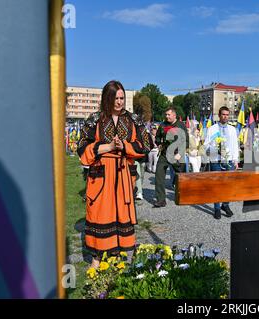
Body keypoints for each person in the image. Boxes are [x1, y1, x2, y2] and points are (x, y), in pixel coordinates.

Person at [77, 80, 146, 269]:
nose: (119, 102)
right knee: (99, 213)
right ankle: (96, 257)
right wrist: (106, 147)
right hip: (101, 175)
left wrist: (124, 146)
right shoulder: (94, 119)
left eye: (122, 98)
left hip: (123, 175)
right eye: (115, 98)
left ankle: (116, 253)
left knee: (120, 213)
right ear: (107, 98)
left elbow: (146, 146)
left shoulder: (134, 120)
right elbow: (81, 147)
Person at [204, 107, 239, 219]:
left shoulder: (232, 129)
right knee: (217, 185)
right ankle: (217, 208)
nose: (225, 116)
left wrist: (236, 160)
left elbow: (235, 145)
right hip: (216, 160)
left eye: (227, 115)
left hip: (229, 161)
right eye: (223, 114)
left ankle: (226, 205)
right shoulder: (212, 129)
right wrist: (214, 149)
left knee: (228, 185)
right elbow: (206, 145)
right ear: (219, 115)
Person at [153, 106, 189, 207]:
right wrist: (159, 143)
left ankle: (183, 197)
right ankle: (161, 200)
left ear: (174, 115)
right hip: (164, 154)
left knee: (181, 177)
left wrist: (180, 153)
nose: (167, 116)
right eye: (166, 114)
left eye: (169, 115)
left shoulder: (180, 125)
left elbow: (186, 141)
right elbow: (158, 137)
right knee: (159, 175)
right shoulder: (163, 124)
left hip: (177, 154)